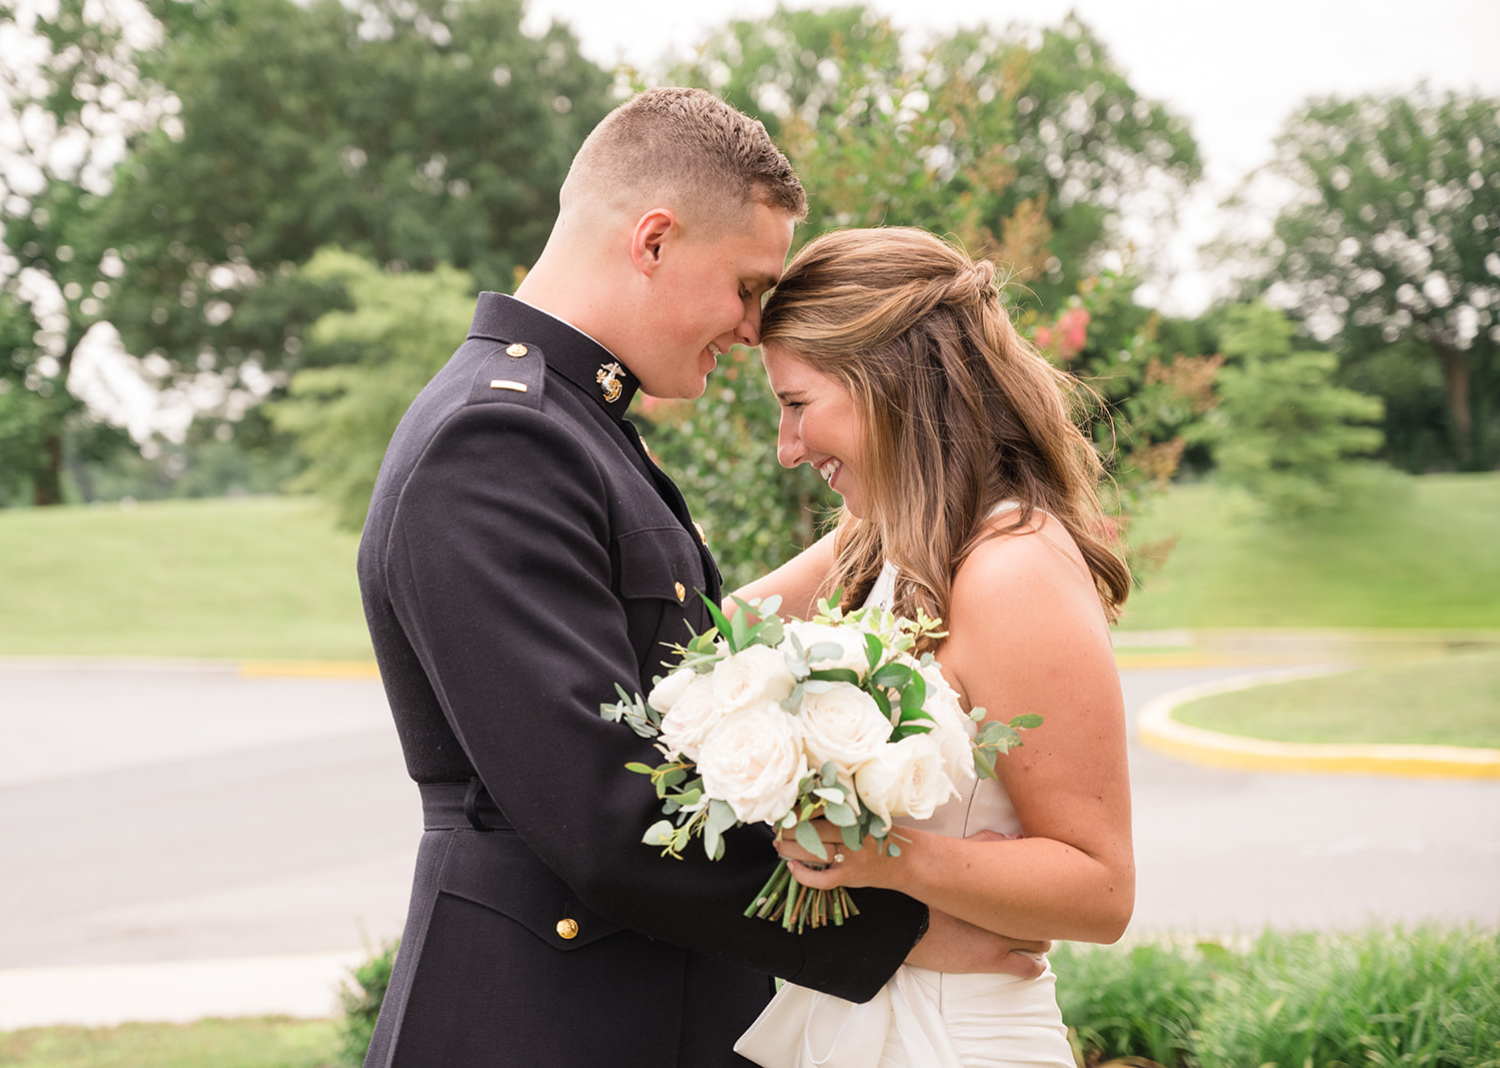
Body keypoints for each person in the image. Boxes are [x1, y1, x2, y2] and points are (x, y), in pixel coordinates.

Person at [356, 89, 1041, 1068]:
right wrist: (907, 934)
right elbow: (608, 813)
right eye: (749, 286)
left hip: (621, 1008)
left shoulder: (570, 430)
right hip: (545, 1023)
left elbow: (680, 678)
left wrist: (904, 515)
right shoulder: (497, 439)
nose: (755, 330)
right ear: (653, 242)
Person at [729, 226, 1136, 1067]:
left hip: (952, 1038)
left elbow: (1100, 888)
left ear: (889, 384)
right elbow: (705, 643)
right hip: (853, 1020)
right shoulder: (875, 538)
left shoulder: (1013, 570)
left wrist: (890, 858)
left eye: (798, 404)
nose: (788, 448)